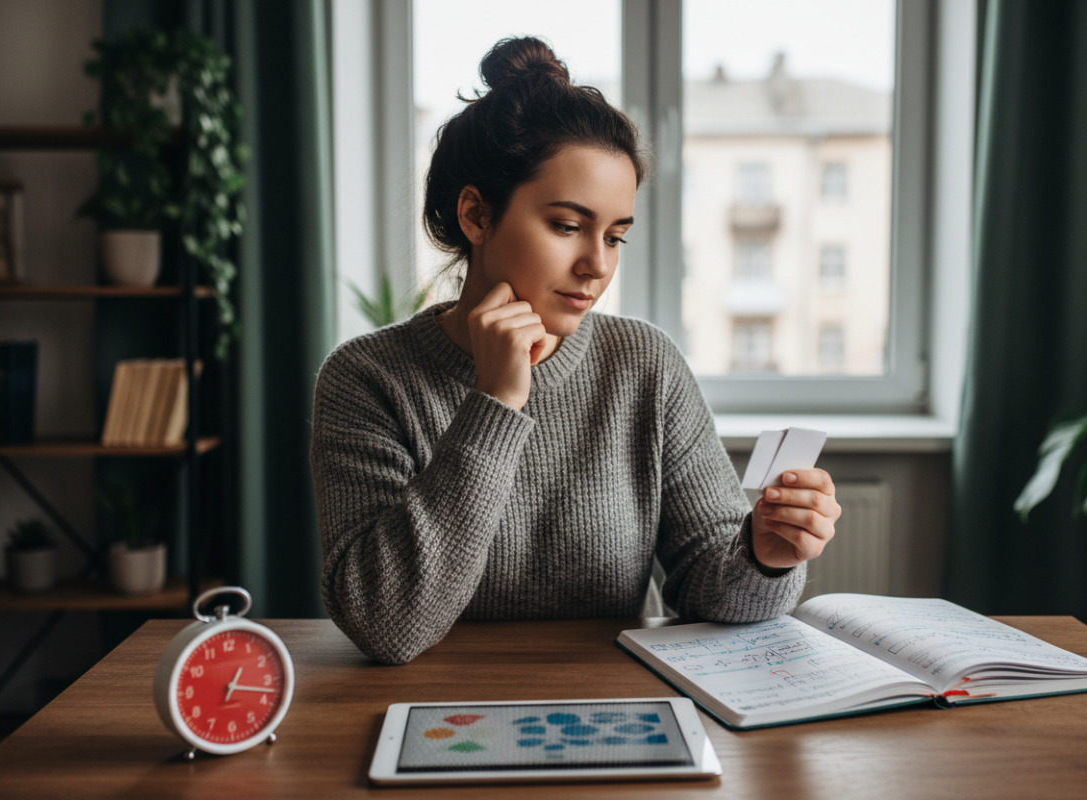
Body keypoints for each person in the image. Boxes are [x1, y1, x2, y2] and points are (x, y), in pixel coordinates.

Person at [311, 36, 840, 665]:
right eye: (567, 227)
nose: (596, 266)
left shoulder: (645, 365)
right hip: (432, 722)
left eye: (615, 236)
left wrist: (764, 555)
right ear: (476, 215)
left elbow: (709, 588)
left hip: (617, 717)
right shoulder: (366, 378)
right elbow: (384, 625)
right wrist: (497, 400)